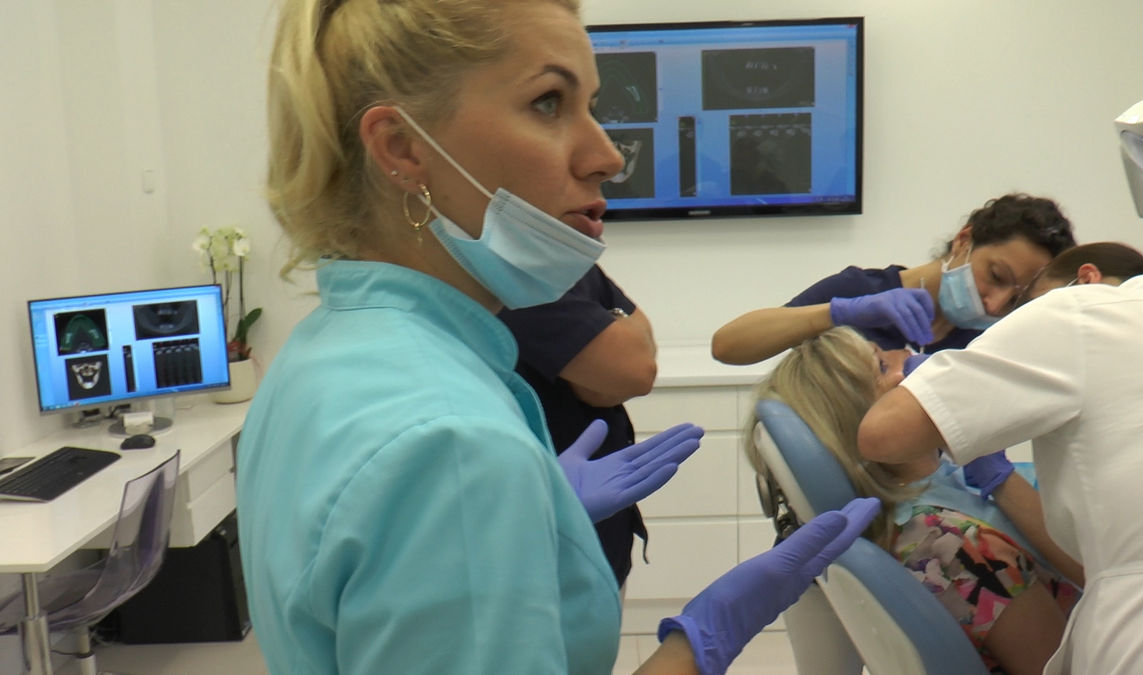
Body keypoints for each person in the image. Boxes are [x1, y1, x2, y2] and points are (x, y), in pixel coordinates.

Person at [236, 1, 881, 673]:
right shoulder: (454, 446)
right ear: (402, 147)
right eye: (548, 103)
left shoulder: (317, 354)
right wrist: (699, 642)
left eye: (592, 107)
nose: (608, 156)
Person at [857, 242, 1143, 674]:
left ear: (1086, 279)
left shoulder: (1076, 309)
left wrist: (934, 387)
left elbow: (882, 433)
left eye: (1027, 304)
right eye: (879, 366)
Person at [744, 326, 1079, 673]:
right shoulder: (950, 545)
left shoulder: (938, 498)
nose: (908, 357)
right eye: (882, 366)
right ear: (863, 423)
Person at [711, 193, 1076, 365]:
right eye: (995, 276)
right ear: (964, 241)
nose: (995, 304)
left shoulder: (982, 343)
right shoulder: (861, 292)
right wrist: (837, 313)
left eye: (1015, 300)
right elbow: (727, 347)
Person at [498, 264, 655, 587]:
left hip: (599, 526)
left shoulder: (575, 263)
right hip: (537, 536)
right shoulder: (517, 276)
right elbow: (634, 370)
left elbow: (642, 348)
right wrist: (617, 329)